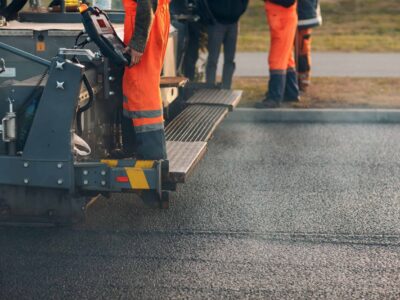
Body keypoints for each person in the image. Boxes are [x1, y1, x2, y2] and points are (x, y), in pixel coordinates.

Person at [122, 0, 170, 160]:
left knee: (142, 87)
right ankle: (132, 147)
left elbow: (146, 4)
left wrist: (138, 43)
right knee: (133, 84)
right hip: (153, 18)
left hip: (145, 20)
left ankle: (152, 154)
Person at [256, 0, 299, 108]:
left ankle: (274, 98)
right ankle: (291, 93)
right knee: (287, 58)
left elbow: (288, 1)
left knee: (276, 60)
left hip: (283, 21)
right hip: (282, 20)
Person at [205, 0, 249, 89]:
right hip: (216, 23)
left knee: (230, 59)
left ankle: (226, 86)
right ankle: (209, 87)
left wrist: (238, 12)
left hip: (233, 23)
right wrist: (212, 15)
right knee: (213, 59)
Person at [296, 0, 322, 92]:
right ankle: (296, 78)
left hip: (305, 12)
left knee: (302, 48)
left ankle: (303, 77)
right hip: (298, 11)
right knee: (297, 48)